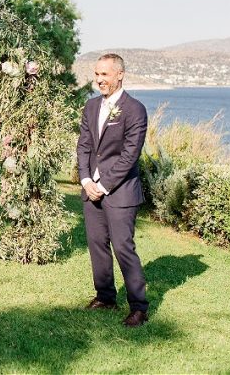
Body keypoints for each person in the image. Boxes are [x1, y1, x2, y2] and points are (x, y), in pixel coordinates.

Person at [76, 53, 149, 327]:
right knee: (97, 245)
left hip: (120, 192)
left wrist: (103, 185)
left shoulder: (135, 110)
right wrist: (85, 180)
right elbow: (83, 146)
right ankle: (105, 296)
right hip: (90, 187)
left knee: (123, 247)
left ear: (120, 74)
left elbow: (129, 156)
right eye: (96, 74)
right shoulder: (91, 107)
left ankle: (139, 307)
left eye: (104, 74)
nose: (99, 79)